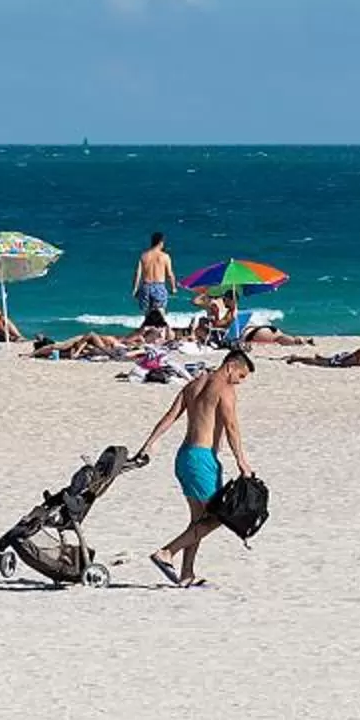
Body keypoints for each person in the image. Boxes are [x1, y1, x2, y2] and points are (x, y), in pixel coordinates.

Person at [138, 349, 255, 590]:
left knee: (198, 520)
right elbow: (232, 427)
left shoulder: (193, 385)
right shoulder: (225, 389)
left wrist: (149, 443)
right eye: (241, 376)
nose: (239, 382)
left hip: (184, 457)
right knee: (218, 517)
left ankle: (186, 573)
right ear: (231, 366)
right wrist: (241, 461)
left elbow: (170, 416)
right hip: (202, 459)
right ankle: (166, 553)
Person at [134, 232, 177, 332]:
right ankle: (161, 335)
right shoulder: (165, 256)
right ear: (161, 242)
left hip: (145, 286)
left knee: (148, 316)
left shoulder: (144, 256)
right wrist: (173, 287)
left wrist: (135, 289)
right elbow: (170, 274)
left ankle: (147, 335)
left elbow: (137, 274)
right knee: (160, 314)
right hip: (159, 286)